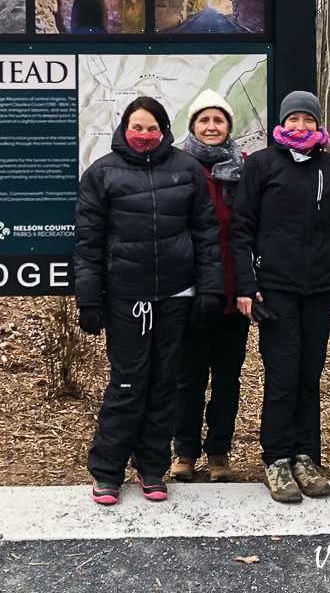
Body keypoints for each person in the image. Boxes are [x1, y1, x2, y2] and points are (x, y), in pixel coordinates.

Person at [74, 96, 225, 505]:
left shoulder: (186, 169)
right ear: (124, 128)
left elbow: (206, 234)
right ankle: (107, 472)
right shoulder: (102, 174)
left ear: (164, 130)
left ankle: (152, 468)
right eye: (136, 127)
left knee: (164, 386)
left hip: (176, 297)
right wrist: (89, 299)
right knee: (127, 384)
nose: (144, 134)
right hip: (126, 299)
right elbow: (88, 243)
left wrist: (211, 289)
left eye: (151, 127)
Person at [230, 91, 330, 503]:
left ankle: (306, 455)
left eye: (308, 120)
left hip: (320, 290)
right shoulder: (262, 165)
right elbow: (242, 230)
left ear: (318, 125)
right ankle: (277, 459)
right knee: (282, 375)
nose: (301, 127)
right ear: (283, 123)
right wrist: (247, 286)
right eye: (294, 119)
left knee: (309, 374)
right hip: (276, 290)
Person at [170, 90, 251, 484]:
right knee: (188, 377)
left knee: (227, 377)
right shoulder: (177, 166)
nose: (212, 126)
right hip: (191, 290)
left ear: (228, 127)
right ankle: (183, 451)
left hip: (236, 293)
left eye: (219, 120)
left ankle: (219, 453)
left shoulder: (246, 167)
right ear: (193, 126)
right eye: (204, 120)